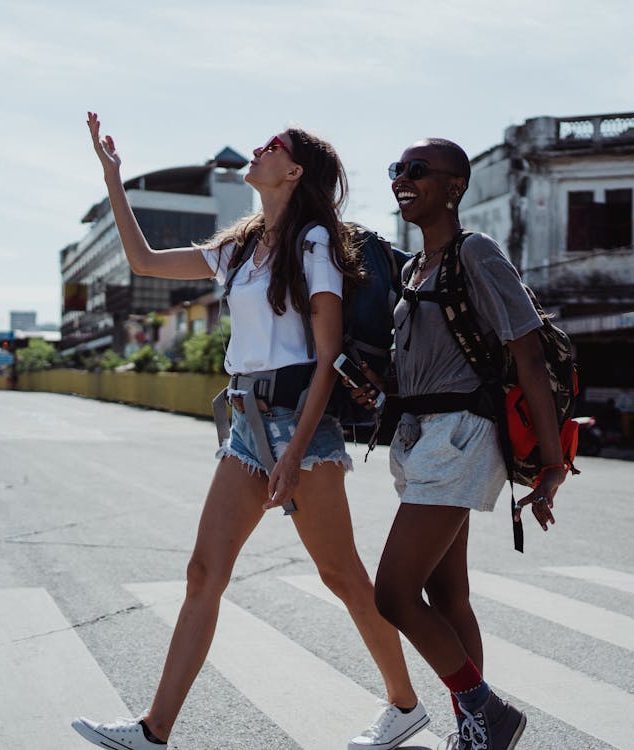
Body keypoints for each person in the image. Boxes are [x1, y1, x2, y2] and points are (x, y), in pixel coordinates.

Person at [72, 113, 429, 750]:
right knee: (203, 571)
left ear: (293, 172)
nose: (260, 148)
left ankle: (404, 706)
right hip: (245, 426)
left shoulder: (315, 242)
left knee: (342, 575)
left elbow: (327, 357)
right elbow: (143, 260)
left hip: (301, 428)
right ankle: (155, 730)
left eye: (274, 146)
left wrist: (294, 454)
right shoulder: (240, 246)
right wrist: (114, 179)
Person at [350, 139, 567, 750]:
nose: (403, 179)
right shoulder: (414, 269)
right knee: (446, 595)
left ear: (454, 186)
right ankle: (476, 732)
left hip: (463, 434)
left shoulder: (477, 253)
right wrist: (380, 390)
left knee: (392, 593)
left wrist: (552, 466)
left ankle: (488, 714)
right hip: (421, 435)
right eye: (396, 170)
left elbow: (526, 352)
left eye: (418, 171)